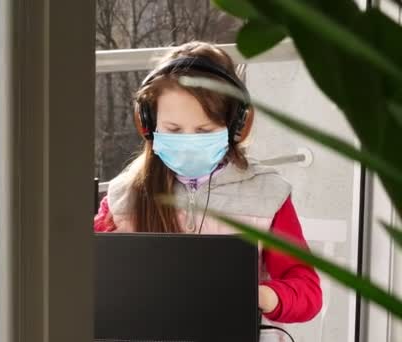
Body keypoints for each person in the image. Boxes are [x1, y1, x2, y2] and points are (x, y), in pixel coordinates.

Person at [94, 41, 322, 324]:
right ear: (148, 125)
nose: (188, 140)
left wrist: (260, 295)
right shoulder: (123, 197)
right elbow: (81, 276)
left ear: (236, 126)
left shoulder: (266, 195)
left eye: (204, 130)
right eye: (173, 129)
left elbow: (307, 292)